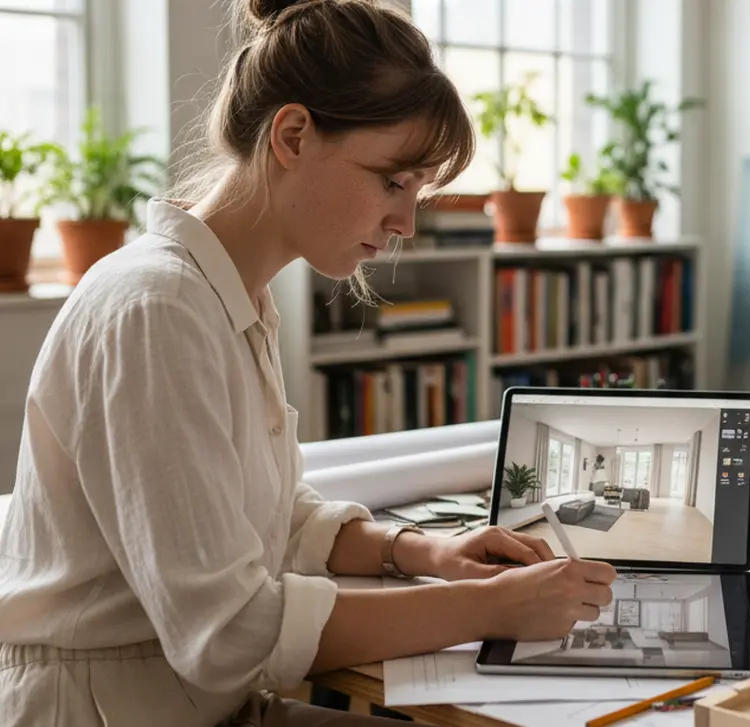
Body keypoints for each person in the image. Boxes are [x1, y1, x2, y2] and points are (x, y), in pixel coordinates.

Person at [0, 1, 616, 725]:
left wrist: (427, 552)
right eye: (394, 181)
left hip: (192, 698)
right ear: (293, 134)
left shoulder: (234, 296)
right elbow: (227, 632)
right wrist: (491, 605)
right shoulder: (157, 309)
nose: (405, 224)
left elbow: (273, 520)